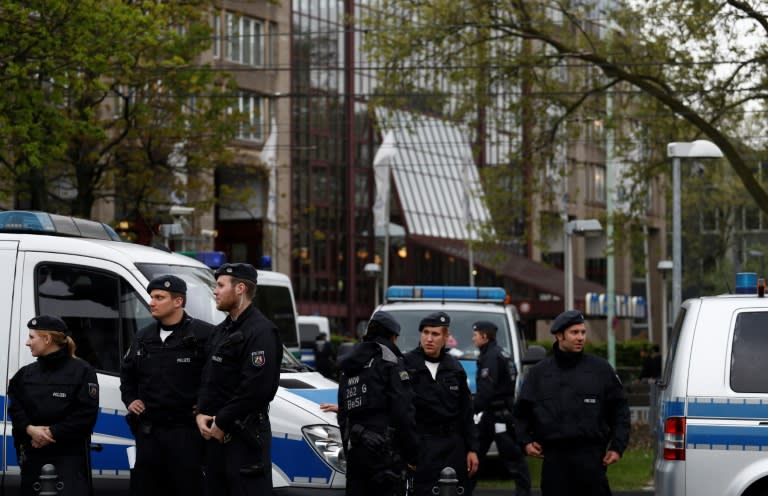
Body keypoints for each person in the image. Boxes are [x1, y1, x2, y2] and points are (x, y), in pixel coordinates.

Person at [514, 310, 631, 496]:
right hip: (555, 460)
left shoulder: (600, 370)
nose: (580, 338)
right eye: (574, 333)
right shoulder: (540, 373)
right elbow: (521, 413)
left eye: (583, 332)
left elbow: (620, 411)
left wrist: (617, 447)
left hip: (592, 459)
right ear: (559, 335)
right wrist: (525, 442)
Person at [120, 275, 213, 496]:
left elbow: (216, 378)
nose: (152, 302)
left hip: (186, 433)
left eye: (159, 297)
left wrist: (205, 406)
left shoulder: (203, 334)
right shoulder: (143, 336)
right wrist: (130, 398)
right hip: (150, 432)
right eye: (152, 297)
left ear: (178, 301)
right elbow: (128, 373)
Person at [195, 263, 282, 496]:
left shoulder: (262, 332)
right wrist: (201, 412)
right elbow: (208, 378)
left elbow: (257, 388)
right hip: (215, 439)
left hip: (245, 438)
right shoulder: (221, 331)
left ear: (240, 288)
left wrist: (222, 421)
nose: (215, 291)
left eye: (221, 285)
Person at [8, 315, 99, 496]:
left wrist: (50, 433)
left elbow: (85, 415)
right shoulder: (24, 375)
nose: (28, 342)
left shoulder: (82, 372)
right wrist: (30, 429)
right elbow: (15, 409)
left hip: (69, 460)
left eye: (32, 337)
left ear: (47, 339)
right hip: (33, 459)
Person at [337, 311, 420, 496]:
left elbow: (343, 413)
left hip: (356, 450)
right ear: (392, 336)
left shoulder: (351, 363)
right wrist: (413, 453)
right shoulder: (389, 361)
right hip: (385, 453)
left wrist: (350, 443)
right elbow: (403, 411)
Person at [403, 311, 478, 496]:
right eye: (425, 332)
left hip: (452, 446)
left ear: (446, 337)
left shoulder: (455, 368)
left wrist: (472, 449)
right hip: (421, 446)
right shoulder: (406, 364)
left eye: (435, 334)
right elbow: (396, 407)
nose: (429, 338)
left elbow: (466, 412)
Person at [471, 320, 530, 496]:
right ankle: (463, 490)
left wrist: (470, 410)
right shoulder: (500, 353)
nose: (473, 338)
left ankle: (524, 493)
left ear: (484, 336)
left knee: (514, 459)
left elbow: (486, 391)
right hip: (494, 415)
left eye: (475, 335)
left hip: (498, 417)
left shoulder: (491, 357)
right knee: (475, 453)